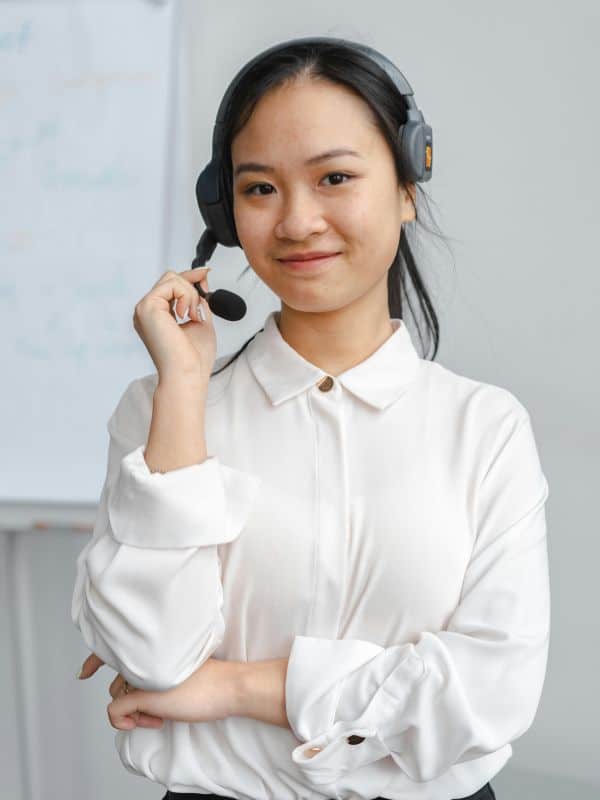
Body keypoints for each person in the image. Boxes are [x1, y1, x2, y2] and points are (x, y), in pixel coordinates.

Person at [71, 37, 550, 800]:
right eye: (259, 189)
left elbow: (488, 695)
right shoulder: (162, 412)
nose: (296, 221)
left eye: (335, 177)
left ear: (406, 185)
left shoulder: (484, 429)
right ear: (223, 212)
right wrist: (185, 393)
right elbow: (153, 656)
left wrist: (231, 688)